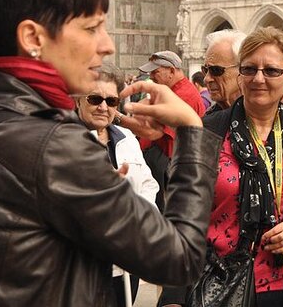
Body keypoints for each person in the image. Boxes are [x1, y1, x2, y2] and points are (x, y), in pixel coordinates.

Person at [0, 0, 220, 306]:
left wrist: (94, 193)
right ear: (33, 38)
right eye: (91, 28)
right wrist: (190, 132)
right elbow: (179, 258)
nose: (107, 45)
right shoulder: (54, 145)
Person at [160, 26, 283, 307]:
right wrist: (172, 297)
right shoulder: (205, 132)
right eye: (249, 69)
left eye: (271, 70)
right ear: (239, 74)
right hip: (212, 287)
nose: (258, 78)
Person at [75, 62, 159, 307]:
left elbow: (148, 186)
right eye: (95, 99)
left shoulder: (127, 140)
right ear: (77, 99)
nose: (103, 107)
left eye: (111, 101)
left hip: (123, 265)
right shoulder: (61, 140)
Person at [138, 49, 206, 210]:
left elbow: (157, 129)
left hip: (166, 160)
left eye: (155, 72)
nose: (151, 77)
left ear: (171, 71)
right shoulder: (175, 92)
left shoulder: (183, 95)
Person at [202, 29, 246, 114]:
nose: (206, 79)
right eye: (205, 70)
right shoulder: (208, 120)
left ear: (242, 70)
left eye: (215, 70)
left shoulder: (265, 118)